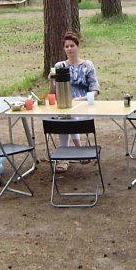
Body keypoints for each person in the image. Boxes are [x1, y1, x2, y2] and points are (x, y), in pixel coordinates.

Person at [49, 30, 101, 169]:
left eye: (72, 45)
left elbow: (95, 89)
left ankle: (65, 157)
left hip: (83, 103)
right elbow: (52, 93)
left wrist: (81, 99)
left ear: (78, 47)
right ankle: (77, 151)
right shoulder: (60, 66)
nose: (69, 49)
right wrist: (52, 81)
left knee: (69, 115)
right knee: (66, 114)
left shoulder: (87, 65)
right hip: (64, 103)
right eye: (67, 46)